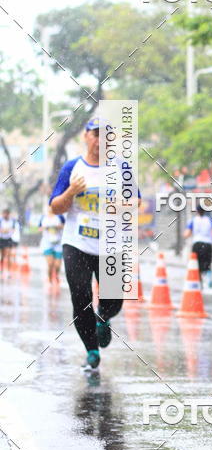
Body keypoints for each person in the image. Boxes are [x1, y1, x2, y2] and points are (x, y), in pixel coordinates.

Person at [49, 117, 128, 371]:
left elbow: (136, 202)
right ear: (86, 137)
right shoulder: (72, 168)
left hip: (111, 245)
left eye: (106, 135)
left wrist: (121, 206)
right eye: (95, 134)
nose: (100, 140)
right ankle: (92, 351)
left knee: (114, 300)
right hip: (77, 244)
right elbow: (55, 207)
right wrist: (71, 192)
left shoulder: (121, 168)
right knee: (80, 296)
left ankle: (104, 318)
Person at [184, 204, 212, 287]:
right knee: (207, 263)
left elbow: (187, 234)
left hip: (197, 244)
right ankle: (209, 277)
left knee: (197, 264)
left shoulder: (193, 220)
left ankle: (200, 283)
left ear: (197, 211)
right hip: (207, 244)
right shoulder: (210, 220)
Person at [38, 205, 64, 284]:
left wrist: (58, 226)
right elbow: (39, 228)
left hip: (58, 243)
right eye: (49, 206)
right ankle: (49, 279)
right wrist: (46, 227)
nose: (50, 208)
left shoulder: (60, 216)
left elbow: (65, 226)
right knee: (50, 263)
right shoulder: (43, 217)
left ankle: (56, 275)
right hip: (47, 243)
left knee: (57, 265)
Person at [0, 208, 19, 276]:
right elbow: (1, 230)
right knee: (2, 256)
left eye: (6, 214)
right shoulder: (1, 220)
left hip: (8, 239)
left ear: (8, 214)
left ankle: (8, 271)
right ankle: (1, 269)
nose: (5, 215)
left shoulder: (12, 221)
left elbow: (13, 230)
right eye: (4, 214)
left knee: (8, 255)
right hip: (1, 239)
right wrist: (6, 230)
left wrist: (6, 230)